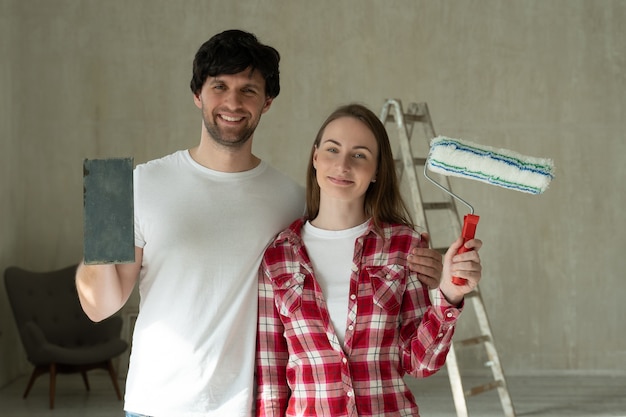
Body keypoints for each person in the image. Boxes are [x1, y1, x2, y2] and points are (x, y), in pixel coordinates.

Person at [75, 31, 444, 417]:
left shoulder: (291, 202)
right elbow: (101, 307)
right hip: (155, 405)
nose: (233, 102)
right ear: (197, 95)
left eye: (248, 90)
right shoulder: (140, 184)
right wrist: (101, 221)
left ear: (267, 102)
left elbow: (352, 252)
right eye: (219, 86)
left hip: (244, 407)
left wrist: (425, 268)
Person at [255, 103, 483, 416]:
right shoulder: (279, 255)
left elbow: (420, 363)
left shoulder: (405, 246)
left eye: (359, 154)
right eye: (333, 150)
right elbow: (271, 372)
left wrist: (450, 294)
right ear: (315, 157)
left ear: (376, 171)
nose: (343, 164)